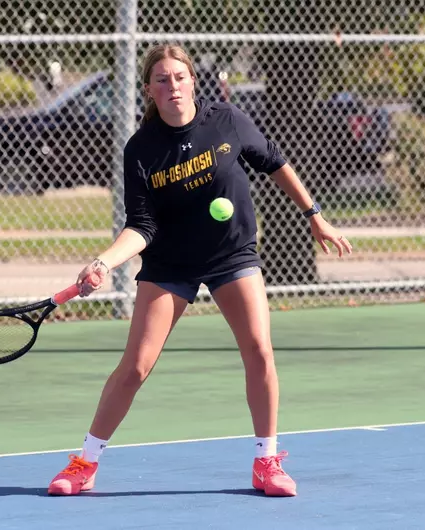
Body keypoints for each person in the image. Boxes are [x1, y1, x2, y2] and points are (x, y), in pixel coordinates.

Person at [47, 43, 353, 498]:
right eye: (162, 80)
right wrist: (103, 262)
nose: (172, 86)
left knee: (259, 351)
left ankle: (266, 461)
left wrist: (315, 215)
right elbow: (142, 225)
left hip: (232, 255)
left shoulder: (227, 120)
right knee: (135, 367)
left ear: (192, 80)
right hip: (171, 264)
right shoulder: (141, 150)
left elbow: (275, 162)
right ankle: (84, 463)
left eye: (179, 77)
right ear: (150, 90)